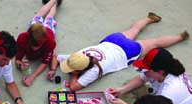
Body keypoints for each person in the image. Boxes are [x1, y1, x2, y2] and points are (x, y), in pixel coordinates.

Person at [47, 12, 190, 91]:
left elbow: (73, 88)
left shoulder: (94, 71)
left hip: (125, 51)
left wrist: (74, 75)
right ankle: (149, 18)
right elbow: (55, 57)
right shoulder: (77, 57)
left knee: (154, 43)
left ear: (81, 69)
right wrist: (53, 69)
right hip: (112, 41)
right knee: (134, 30)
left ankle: (179, 37)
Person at [108, 48, 192, 104]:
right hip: (159, 100)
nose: (143, 72)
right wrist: (121, 90)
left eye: (146, 70)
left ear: (159, 72)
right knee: (128, 86)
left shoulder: (169, 91)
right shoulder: (167, 67)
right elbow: (141, 79)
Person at [15, 0, 62, 87]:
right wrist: (19, 65)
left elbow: (45, 62)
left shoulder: (50, 42)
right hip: (36, 28)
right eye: (32, 45)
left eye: (38, 46)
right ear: (28, 37)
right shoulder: (22, 38)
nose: (34, 49)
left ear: (44, 40)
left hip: (48, 30)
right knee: (39, 14)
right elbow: (17, 58)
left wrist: (33, 76)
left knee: (49, 17)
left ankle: (55, 1)